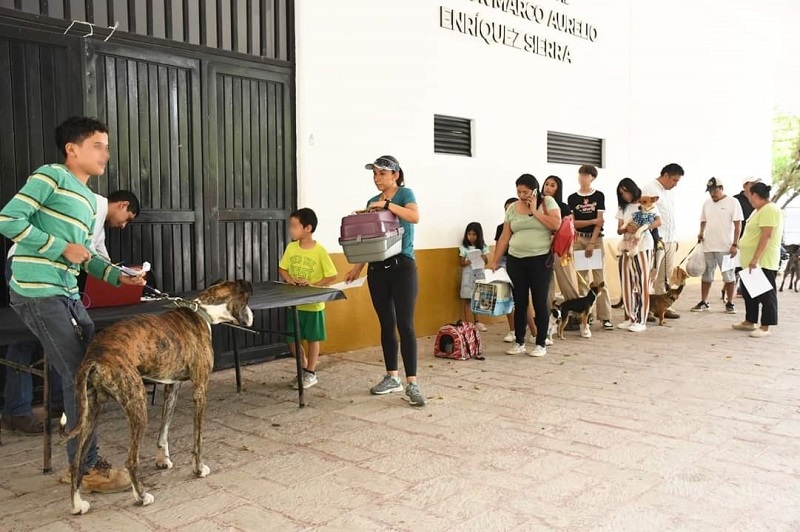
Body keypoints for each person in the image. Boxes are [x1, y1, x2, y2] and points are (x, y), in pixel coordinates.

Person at [0, 116, 146, 492]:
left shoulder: (87, 201)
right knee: (80, 375)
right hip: (37, 287)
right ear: (72, 149)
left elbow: (84, 256)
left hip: (64, 289)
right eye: (98, 145)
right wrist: (59, 247)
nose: (106, 154)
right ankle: (85, 467)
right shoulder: (50, 176)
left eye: (107, 147)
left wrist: (118, 276)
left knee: (86, 373)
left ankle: (82, 462)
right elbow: (8, 219)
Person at [2, 189, 140, 434]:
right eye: (128, 218)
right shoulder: (88, 204)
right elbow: (10, 219)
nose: (124, 225)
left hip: (59, 277)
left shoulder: (97, 222)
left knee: (62, 339)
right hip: (29, 269)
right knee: (24, 339)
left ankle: (59, 401)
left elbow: (99, 259)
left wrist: (124, 276)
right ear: (122, 205)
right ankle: (16, 410)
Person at [344, 155, 425, 407]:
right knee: (386, 324)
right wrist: (357, 267)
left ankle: (412, 383)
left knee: (406, 324)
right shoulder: (371, 201)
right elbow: (369, 238)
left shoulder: (404, 194)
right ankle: (392, 377)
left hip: (403, 267)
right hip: (377, 270)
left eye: (382, 174)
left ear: (396, 175)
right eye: (375, 175)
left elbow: (414, 217)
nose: (378, 179)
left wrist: (387, 205)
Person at [489, 174, 561, 357]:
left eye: (525, 191)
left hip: (540, 259)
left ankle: (540, 343)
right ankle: (519, 341)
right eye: (518, 191)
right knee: (519, 302)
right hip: (516, 259)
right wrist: (495, 260)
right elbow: (505, 236)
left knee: (539, 300)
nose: (521, 195)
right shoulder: (512, 208)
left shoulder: (548, 202)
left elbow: (556, 223)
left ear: (534, 190)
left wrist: (535, 211)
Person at [278, 208, 337, 389]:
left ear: (308, 228)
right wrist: (290, 280)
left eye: (294, 226)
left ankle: (310, 372)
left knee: (313, 339)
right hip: (294, 303)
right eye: (291, 226)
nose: (291, 230)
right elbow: (283, 268)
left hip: (313, 305)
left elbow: (332, 275)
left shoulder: (320, 251)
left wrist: (315, 285)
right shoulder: (291, 248)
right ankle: (303, 367)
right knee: (292, 339)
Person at [732, 182, 783, 338]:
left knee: (766, 294)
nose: (748, 198)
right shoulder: (758, 210)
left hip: (762, 261)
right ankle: (750, 320)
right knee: (750, 293)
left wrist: (756, 258)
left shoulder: (770, 210)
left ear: (754, 194)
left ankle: (765, 326)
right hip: (748, 261)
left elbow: (766, 236)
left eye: (749, 194)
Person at [567, 165, 613, 334]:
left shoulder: (598, 196)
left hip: (596, 239)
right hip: (578, 238)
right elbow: (573, 222)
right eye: (581, 174)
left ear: (592, 177)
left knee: (600, 278)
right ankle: (587, 314)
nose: (582, 177)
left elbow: (600, 221)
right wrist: (592, 221)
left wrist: (593, 242)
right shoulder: (572, 197)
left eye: (586, 175)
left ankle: (605, 316)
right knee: (582, 279)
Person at [615, 178, 661, 332]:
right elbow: (619, 229)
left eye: (626, 192)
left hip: (643, 247)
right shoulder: (623, 207)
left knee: (642, 282)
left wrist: (644, 227)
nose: (625, 196)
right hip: (626, 246)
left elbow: (658, 221)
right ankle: (629, 317)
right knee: (626, 282)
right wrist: (626, 228)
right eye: (621, 193)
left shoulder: (647, 203)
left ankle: (641, 319)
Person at [691, 178, 743, 314]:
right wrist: (701, 233)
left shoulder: (733, 202)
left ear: (721, 188)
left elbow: (738, 224)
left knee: (728, 276)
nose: (712, 194)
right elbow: (703, 220)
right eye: (710, 192)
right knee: (706, 276)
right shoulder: (707, 203)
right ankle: (704, 301)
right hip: (708, 246)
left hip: (726, 247)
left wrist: (735, 244)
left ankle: (730, 303)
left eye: (714, 191)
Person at [642, 163, 683, 320]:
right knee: (651, 274)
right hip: (656, 239)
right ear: (665, 175)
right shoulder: (650, 188)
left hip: (670, 239)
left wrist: (674, 240)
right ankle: (646, 307)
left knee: (665, 276)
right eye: (674, 180)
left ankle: (663, 307)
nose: (675, 184)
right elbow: (646, 214)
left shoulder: (669, 193)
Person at [495, 198, 537, 343]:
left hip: (521, 261)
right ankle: (513, 330)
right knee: (508, 299)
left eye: (511, 208)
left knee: (524, 300)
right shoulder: (501, 227)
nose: (509, 211)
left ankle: (534, 332)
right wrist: (495, 263)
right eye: (506, 209)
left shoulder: (527, 224)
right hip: (505, 263)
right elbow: (500, 243)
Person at [543, 175, 581, 307]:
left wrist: (569, 249)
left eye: (552, 185)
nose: (548, 187)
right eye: (546, 184)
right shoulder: (538, 204)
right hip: (542, 246)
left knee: (566, 280)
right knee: (546, 283)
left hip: (561, 248)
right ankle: (548, 314)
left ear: (558, 189)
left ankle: (578, 312)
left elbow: (571, 229)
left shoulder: (563, 206)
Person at [459, 222, 489, 331]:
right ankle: (468, 323)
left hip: (478, 274)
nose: (471, 237)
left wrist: (482, 257)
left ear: (479, 235)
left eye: (474, 234)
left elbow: (486, 261)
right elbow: (461, 263)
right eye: (469, 234)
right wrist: (469, 261)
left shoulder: (483, 247)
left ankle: (477, 321)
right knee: (467, 299)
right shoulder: (464, 248)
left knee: (477, 298)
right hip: (468, 275)